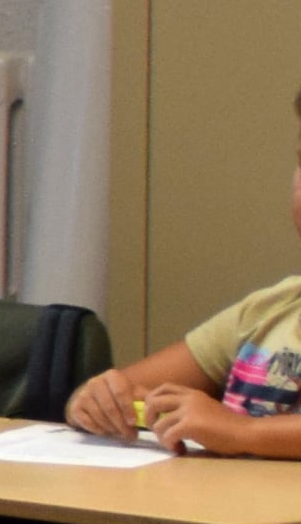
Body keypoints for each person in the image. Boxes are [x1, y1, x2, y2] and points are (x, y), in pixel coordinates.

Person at [61, 92, 301, 455]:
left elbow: (235, 431)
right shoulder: (270, 310)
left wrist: (242, 431)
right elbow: (121, 385)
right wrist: (95, 400)